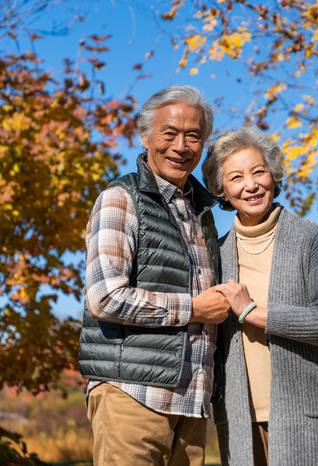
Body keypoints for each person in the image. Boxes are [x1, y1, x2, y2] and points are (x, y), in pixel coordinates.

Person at [78, 85, 231, 465]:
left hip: (192, 402)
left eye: (193, 136)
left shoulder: (202, 214)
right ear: (145, 135)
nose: (181, 146)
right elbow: (105, 297)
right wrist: (193, 308)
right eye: (169, 133)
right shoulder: (121, 199)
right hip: (132, 396)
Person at [201, 125, 318, 466]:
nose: (251, 185)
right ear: (222, 190)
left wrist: (251, 311)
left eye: (259, 171)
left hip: (306, 418)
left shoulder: (312, 240)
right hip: (239, 418)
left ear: (274, 175)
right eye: (236, 177)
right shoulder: (216, 253)